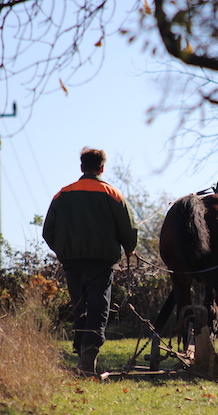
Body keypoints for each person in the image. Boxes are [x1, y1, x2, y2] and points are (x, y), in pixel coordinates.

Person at [43, 147, 138, 377]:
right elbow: (130, 228)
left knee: (80, 308)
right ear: (102, 168)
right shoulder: (113, 194)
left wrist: (64, 252)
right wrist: (129, 250)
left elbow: (48, 232)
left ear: (82, 167)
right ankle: (87, 359)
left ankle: (82, 354)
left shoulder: (62, 194)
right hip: (102, 263)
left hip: (72, 262)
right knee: (97, 309)